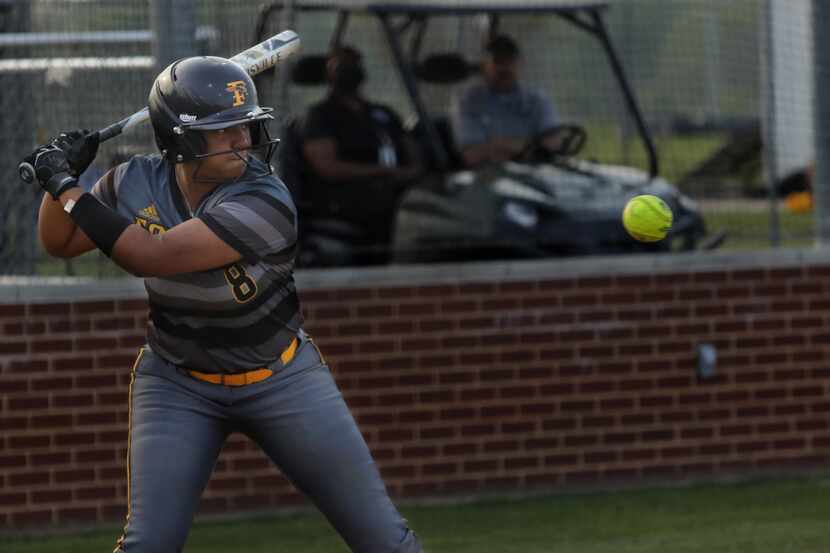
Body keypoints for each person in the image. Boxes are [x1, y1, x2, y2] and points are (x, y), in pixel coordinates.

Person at [26, 55, 420, 553]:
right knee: (148, 545)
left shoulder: (265, 198)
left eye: (247, 126)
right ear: (183, 140)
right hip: (176, 382)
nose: (244, 140)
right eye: (225, 130)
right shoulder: (134, 182)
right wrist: (62, 177)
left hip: (282, 378)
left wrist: (64, 184)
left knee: (383, 539)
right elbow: (60, 242)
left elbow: (151, 256)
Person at [300, 46, 422, 260]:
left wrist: (409, 173)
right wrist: (382, 172)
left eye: (354, 64)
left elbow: (412, 153)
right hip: (346, 202)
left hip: (397, 197)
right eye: (341, 66)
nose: (349, 71)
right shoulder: (320, 116)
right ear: (329, 73)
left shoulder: (382, 113)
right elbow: (328, 167)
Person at [450, 34, 561, 168]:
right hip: (487, 179)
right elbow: (472, 156)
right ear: (484, 66)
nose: (505, 68)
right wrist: (530, 147)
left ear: (519, 64)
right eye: (498, 61)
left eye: (510, 61)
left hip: (536, 174)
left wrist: (499, 144)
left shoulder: (536, 100)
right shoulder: (470, 102)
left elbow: (553, 144)